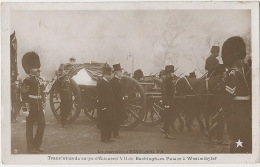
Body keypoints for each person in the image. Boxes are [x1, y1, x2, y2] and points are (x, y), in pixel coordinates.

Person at [221, 36, 252, 153]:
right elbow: (227, 100)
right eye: (240, 58)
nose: (243, 61)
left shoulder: (239, 73)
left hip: (243, 113)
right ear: (234, 59)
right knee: (239, 145)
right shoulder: (232, 74)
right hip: (237, 116)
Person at [21, 52, 46, 153]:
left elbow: (42, 93)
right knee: (30, 126)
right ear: (29, 69)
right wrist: (25, 108)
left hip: (38, 106)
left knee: (42, 124)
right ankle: (30, 147)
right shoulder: (27, 80)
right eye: (35, 67)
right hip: (31, 106)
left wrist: (43, 103)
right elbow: (24, 95)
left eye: (37, 67)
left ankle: (37, 144)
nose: (37, 69)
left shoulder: (38, 80)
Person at [97, 65, 115, 142]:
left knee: (109, 121)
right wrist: (103, 106)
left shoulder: (107, 82)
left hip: (110, 106)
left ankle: (108, 137)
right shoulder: (101, 83)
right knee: (104, 122)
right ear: (105, 75)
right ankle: (104, 138)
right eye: (109, 75)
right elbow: (100, 96)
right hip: (104, 107)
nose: (110, 76)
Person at [159, 65, 176, 139]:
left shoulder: (169, 81)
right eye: (172, 72)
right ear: (168, 73)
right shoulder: (166, 81)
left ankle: (165, 129)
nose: (173, 74)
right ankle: (167, 133)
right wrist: (166, 103)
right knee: (168, 117)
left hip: (171, 101)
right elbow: (164, 93)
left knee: (171, 116)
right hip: (168, 102)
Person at [110, 64, 125, 138]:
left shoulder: (120, 80)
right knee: (116, 117)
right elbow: (114, 92)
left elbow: (122, 90)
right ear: (116, 72)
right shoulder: (113, 81)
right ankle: (115, 132)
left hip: (120, 101)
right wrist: (121, 97)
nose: (121, 72)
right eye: (120, 71)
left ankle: (116, 131)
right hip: (115, 102)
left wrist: (124, 96)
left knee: (121, 117)